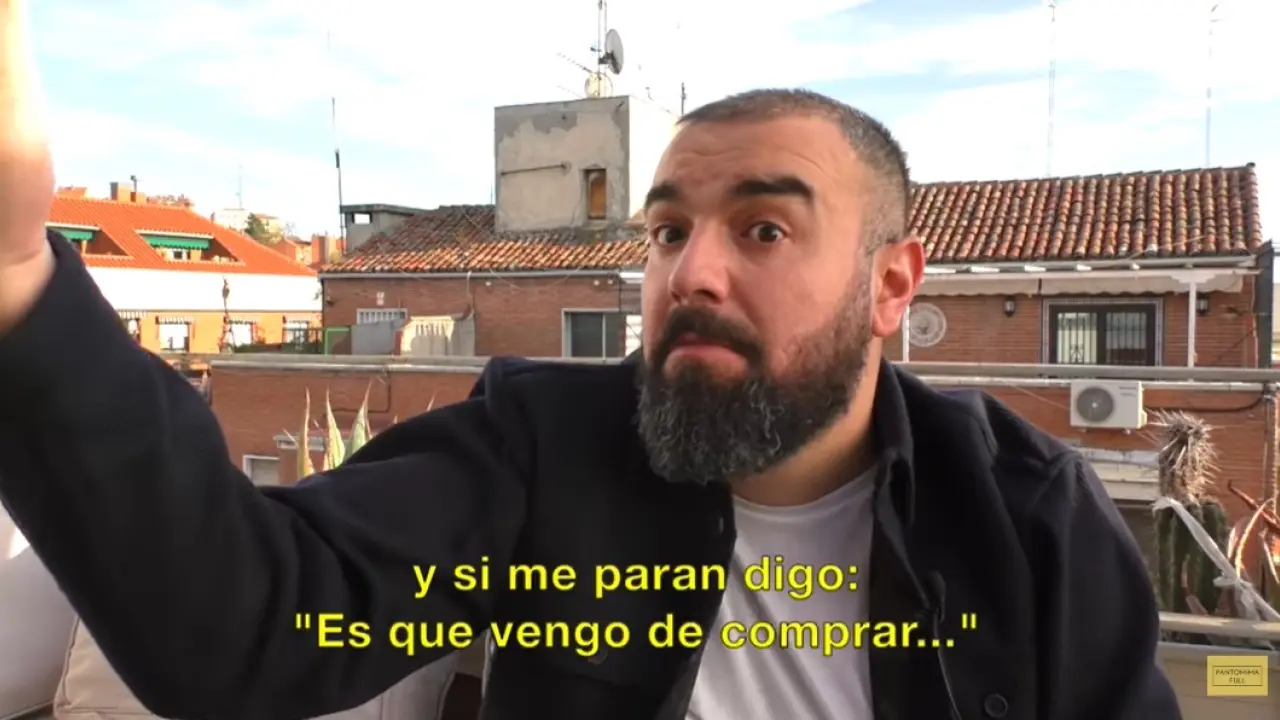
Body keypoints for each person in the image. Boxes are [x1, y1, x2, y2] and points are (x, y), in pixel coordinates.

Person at [0, 3, 1179, 719]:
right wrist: (15, 269)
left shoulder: (1026, 516)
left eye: (762, 230)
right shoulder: (538, 445)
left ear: (890, 287)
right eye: (665, 233)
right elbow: (250, 628)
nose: (690, 273)